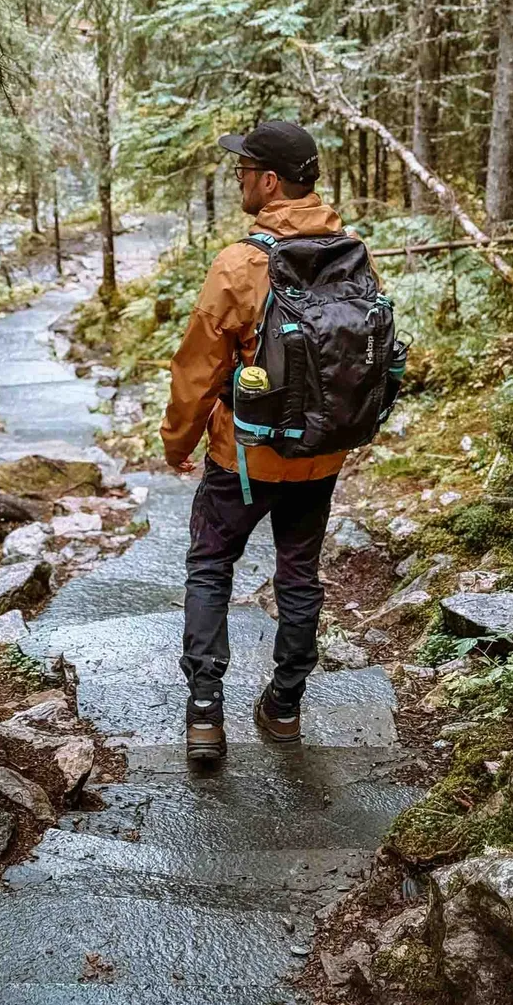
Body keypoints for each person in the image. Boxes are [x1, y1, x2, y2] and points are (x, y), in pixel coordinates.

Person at [161, 120, 353, 762]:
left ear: (270, 181)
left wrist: (177, 442)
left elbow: (198, 370)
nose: (238, 179)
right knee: (299, 575)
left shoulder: (241, 264)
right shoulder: (352, 252)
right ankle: (285, 706)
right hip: (320, 453)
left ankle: (205, 714)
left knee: (210, 564)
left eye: (243, 170)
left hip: (243, 456)